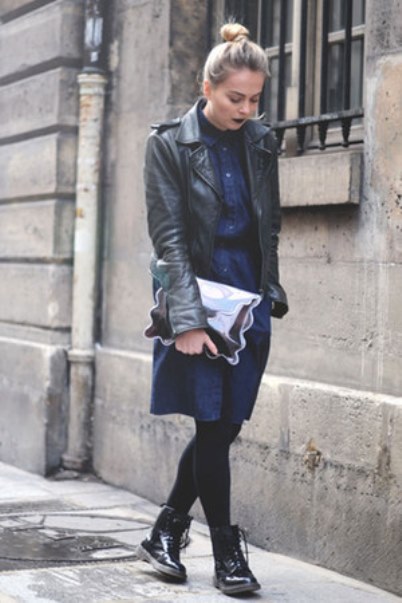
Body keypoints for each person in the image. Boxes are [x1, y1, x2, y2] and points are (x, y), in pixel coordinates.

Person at [137, 22, 288, 596]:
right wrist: (187, 320)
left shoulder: (262, 142)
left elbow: (268, 227)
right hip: (198, 297)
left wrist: (269, 292)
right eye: (235, 98)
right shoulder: (168, 145)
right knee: (209, 421)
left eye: (255, 99)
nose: (246, 110)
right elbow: (169, 239)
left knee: (224, 429)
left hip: (247, 302)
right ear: (207, 87)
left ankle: (166, 531)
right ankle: (226, 551)